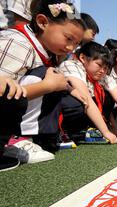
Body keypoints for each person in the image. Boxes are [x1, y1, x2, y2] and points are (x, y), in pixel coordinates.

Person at [0, 0, 88, 165]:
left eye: (76, 44)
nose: (70, 48)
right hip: (8, 108)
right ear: (42, 22)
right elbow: (4, 93)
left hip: (18, 103)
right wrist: (49, 86)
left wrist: (69, 89)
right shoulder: (18, 43)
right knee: (45, 75)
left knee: (71, 98)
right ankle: (16, 139)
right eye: (68, 38)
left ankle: (39, 137)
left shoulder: (45, 49)